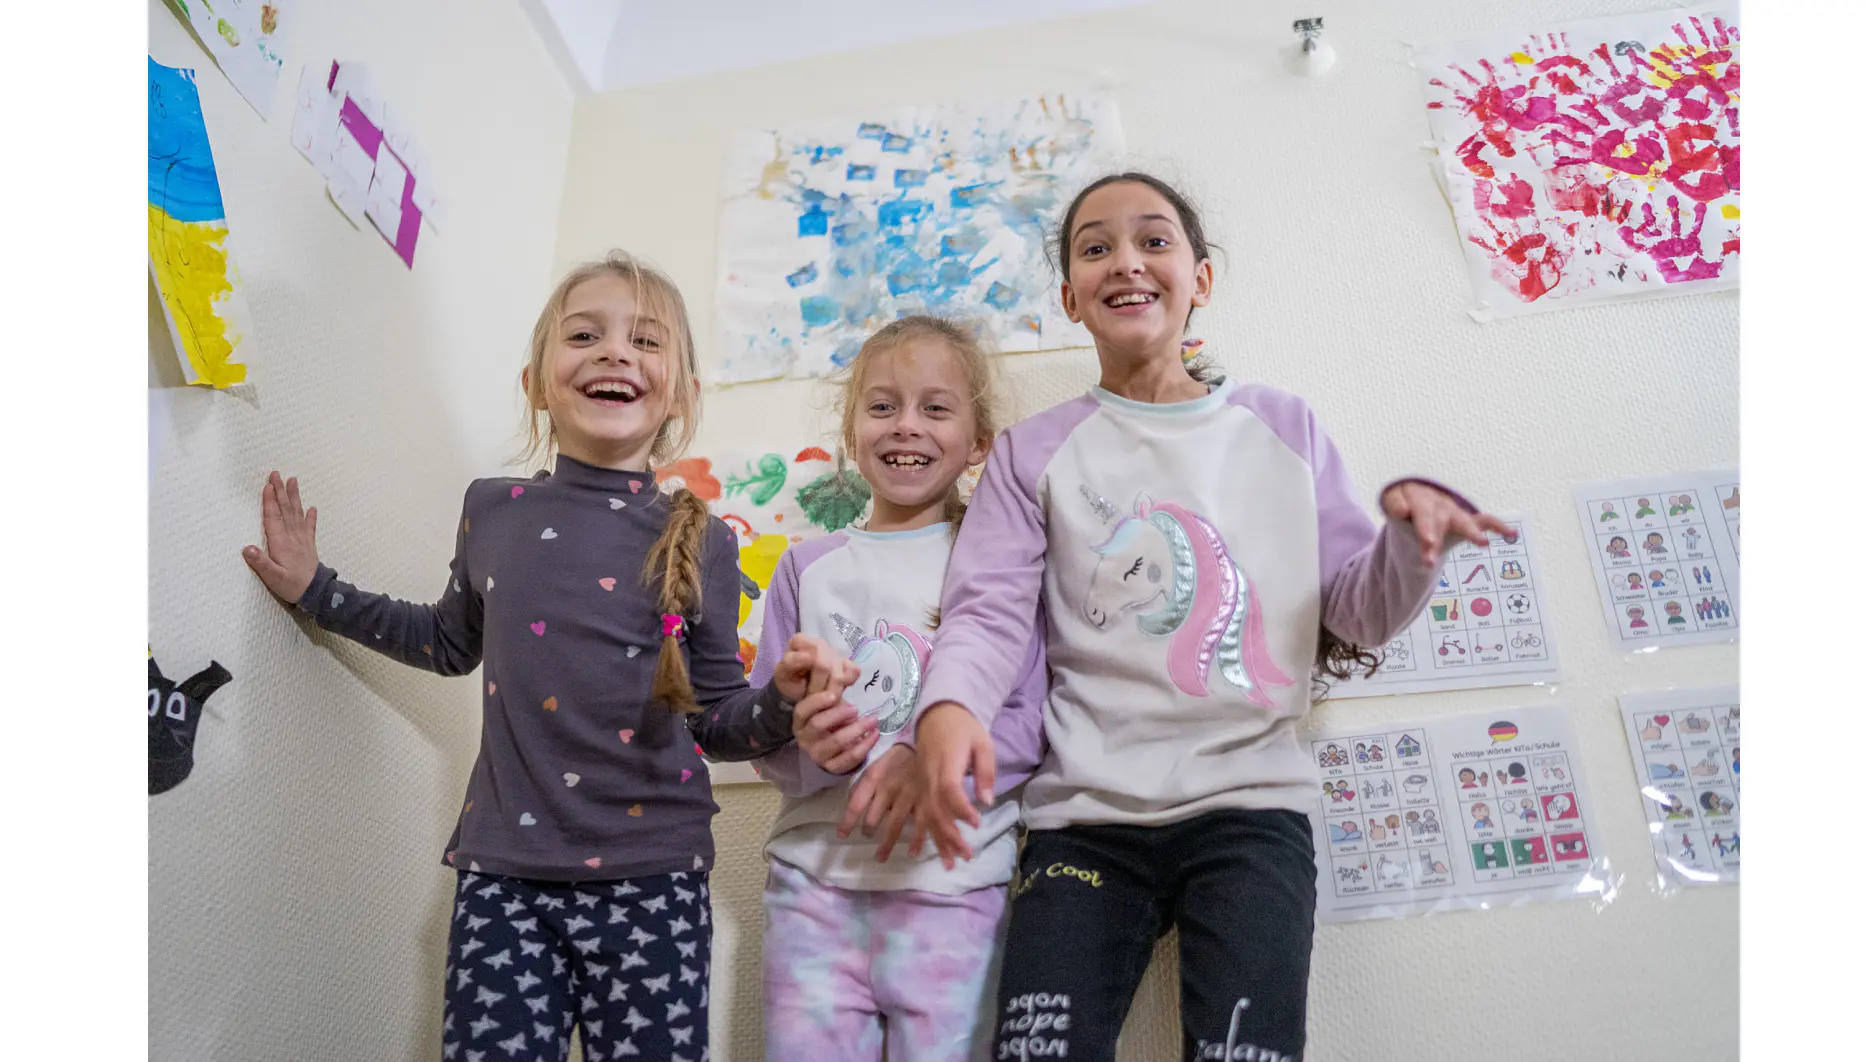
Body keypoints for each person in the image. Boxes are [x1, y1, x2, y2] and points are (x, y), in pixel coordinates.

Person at [904, 173, 1506, 1061]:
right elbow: (987, 611)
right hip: (1082, 822)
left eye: (1154, 240)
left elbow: (1352, 611)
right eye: (1095, 247)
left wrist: (1412, 548)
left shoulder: (1280, 425)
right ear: (1071, 298)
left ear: (1202, 280)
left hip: (1253, 810)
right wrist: (947, 710)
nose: (1126, 263)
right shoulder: (1034, 452)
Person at [241, 251, 828, 1061]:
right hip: (505, 878)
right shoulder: (494, 509)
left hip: (654, 879)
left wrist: (785, 699)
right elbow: (447, 640)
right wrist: (318, 590)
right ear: (537, 383)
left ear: (683, 396)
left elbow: (721, 720)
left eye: (645, 341)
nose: (616, 352)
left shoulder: (706, 540)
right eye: (585, 335)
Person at [748, 316, 1047, 1062]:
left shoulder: (1001, 566)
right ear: (852, 432)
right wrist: (805, 746)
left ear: (979, 441)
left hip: (955, 883)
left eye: (935, 408)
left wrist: (931, 768)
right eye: (882, 407)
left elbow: (1027, 724)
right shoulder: (805, 567)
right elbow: (760, 731)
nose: (905, 426)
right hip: (815, 884)